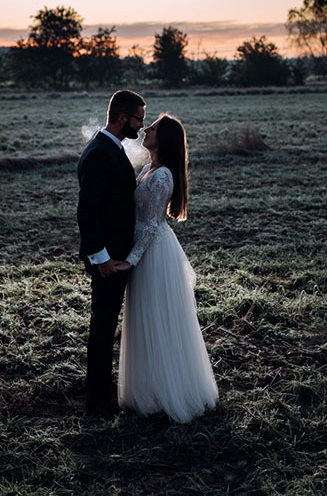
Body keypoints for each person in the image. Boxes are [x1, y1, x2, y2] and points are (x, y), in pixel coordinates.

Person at [118, 113, 219, 423]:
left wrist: (132, 259)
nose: (146, 129)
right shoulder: (149, 169)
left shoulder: (162, 176)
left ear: (164, 139)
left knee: (157, 316)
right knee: (146, 317)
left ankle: (169, 390)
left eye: (154, 128)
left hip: (153, 253)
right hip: (144, 248)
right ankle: (150, 386)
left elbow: (151, 224)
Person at [76, 89, 146, 417]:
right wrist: (100, 257)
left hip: (117, 255)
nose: (141, 126)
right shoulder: (99, 154)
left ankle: (102, 392)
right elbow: (87, 211)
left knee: (106, 323)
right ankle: (98, 402)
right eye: (138, 120)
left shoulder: (110, 147)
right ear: (121, 117)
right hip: (108, 259)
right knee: (103, 326)